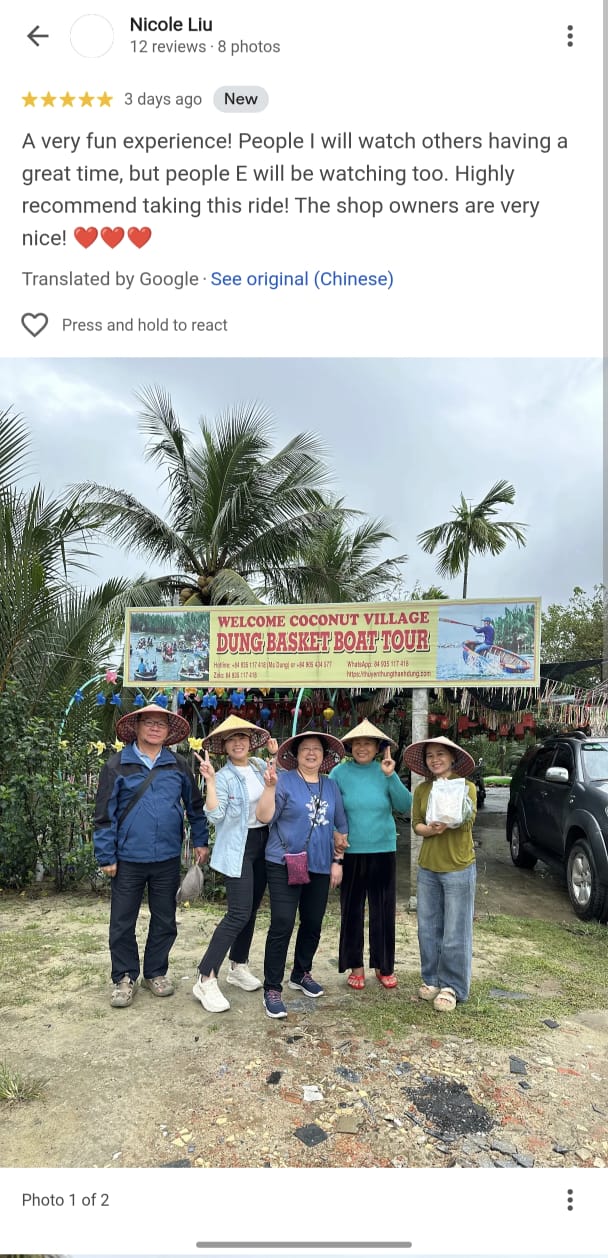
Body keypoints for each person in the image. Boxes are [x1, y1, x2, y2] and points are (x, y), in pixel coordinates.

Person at [94, 702, 210, 1008]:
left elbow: (195, 808)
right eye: (150, 722)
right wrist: (107, 856)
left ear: (168, 731)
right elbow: (104, 815)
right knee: (122, 921)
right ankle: (123, 977)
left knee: (165, 919)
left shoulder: (178, 765)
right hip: (128, 858)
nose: (156, 727)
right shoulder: (116, 765)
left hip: (167, 858)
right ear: (137, 727)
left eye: (162, 723)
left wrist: (200, 841)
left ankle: (155, 972)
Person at [258, 730, 348, 1018]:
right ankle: (272, 987)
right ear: (295, 755)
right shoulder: (283, 781)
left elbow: (341, 828)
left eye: (316, 749)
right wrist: (269, 788)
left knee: (312, 922)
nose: (311, 753)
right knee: (283, 922)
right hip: (283, 861)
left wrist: (338, 861)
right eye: (305, 749)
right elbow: (264, 817)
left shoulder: (331, 786)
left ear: (324, 757)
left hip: (320, 863)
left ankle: (301, 972)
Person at [192, 715, 278, 1014]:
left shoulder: (257, 766)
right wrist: (211, 782)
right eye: (232, 739)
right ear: (225, 746)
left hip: (262, 844)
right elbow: (215, 817)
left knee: (251, 910)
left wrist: (275, 756)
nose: (238, 742)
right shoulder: (225, 776)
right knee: (238, 912)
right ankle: (205, 975)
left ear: (249, 742)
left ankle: (238, 965)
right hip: (237, 848)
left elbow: (274, 788)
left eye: (242, 736)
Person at [330, 719, 411, 990]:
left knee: (383, 911)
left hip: (383, 849)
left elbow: (405, 806)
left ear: (379, 747)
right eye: (357, 743)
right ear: (350, 746)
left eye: (368, 743)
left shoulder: (384, 771)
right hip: (351, 851)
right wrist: (335, 839)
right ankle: (356, 966)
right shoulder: (339, 774)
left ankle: (384, 966)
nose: (362, 747)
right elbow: (329, 808)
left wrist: (392, 776)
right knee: (352, 910)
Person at [403, 735, 477, 1013]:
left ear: (452, 758)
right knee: (428, 927)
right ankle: (431, 978)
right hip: (428, 866)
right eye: (430, 756)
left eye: (440, 754)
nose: (435, 759)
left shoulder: (466, 787)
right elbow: (417, 825)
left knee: (456, 930)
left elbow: (467, 819)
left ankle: (453, 986)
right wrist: (430, 829)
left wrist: (450, 815)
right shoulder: (422, 790)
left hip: (458, 865)